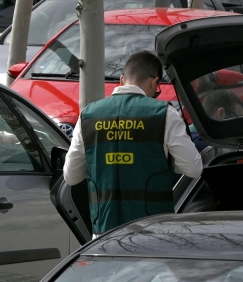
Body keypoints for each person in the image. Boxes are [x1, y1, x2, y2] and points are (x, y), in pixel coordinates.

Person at [63, 51, 202, 238]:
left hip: (104, 232)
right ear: (154, 82)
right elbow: (193, 168)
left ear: (122, 79)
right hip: (154, 231)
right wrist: (167, 162)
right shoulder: (164, 114)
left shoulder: (88, 115)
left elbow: (71, 176)